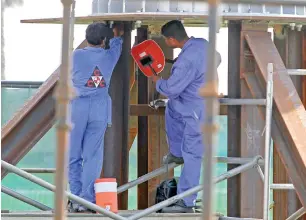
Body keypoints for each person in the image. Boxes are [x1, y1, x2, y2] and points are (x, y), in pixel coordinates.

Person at [152, 20, 221, 213]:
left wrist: (157, 81)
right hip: (194, 105)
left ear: (172, 39)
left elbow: (171, 89)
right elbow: (218, 58)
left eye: (166, 40)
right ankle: (177, 152)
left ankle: (186, 201)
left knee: (193, 155)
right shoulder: (202, 44)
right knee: (171, 110)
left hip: (196, 112)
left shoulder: (186, 61)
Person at [67, 22, 124, 213]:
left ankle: (75, 199)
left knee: (74, 155)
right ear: (103, 40)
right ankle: (87, 199)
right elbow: (117, 43)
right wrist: (116, 34)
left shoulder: (76, 56)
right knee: (92, 156)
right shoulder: (110, 56)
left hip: (77, 109)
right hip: (99, 110)